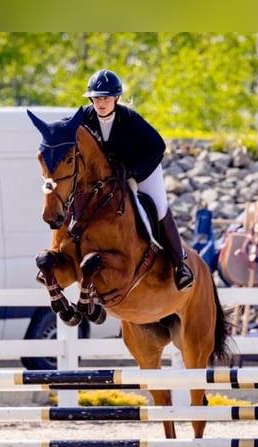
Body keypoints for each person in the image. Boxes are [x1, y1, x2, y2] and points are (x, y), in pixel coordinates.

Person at [80, 68, 194, 291]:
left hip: (142, 170)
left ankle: (180, 264)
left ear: (116, 98)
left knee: (159, 207)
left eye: (105, 98)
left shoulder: (129, 118)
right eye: (96, 98)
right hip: (108, 179)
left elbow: (158, 146)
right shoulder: (84, 116)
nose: (100, 103)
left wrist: (132, 171)